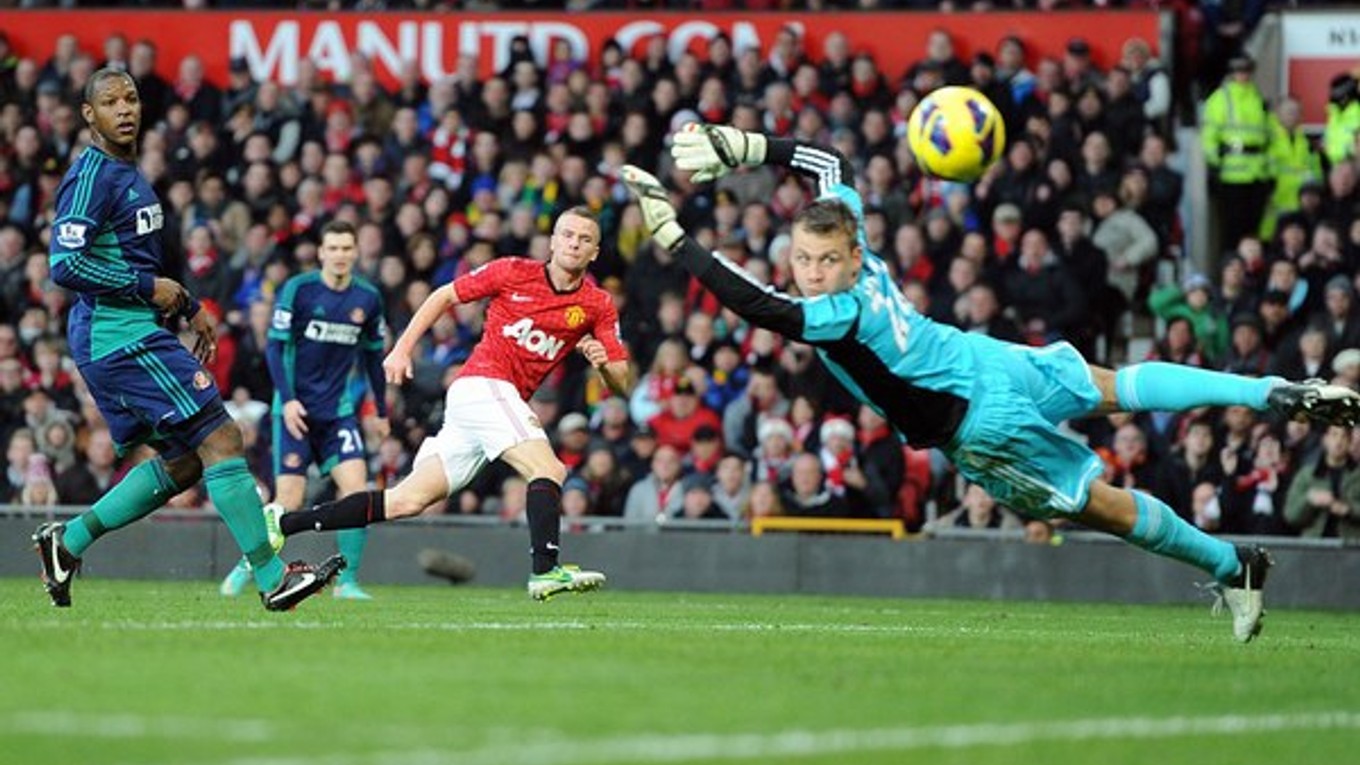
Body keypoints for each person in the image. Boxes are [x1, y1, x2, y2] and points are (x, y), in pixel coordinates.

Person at [622, 122, 1360, 642]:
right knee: (1119, 385)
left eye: (825, 262)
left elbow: (761, 306)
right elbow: (828, 161)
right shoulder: (857, 244)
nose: (812, 274)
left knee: (1097, 507)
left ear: (849, 258)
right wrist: (746, 147)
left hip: (979, 424)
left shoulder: (836, 314)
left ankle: (1233, 564)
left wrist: (678, 241)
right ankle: (1272, 390)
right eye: (802, 261)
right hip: (983, 356)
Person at [35, 68, 343, 610]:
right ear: (89, 114)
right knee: (221, 438)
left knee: (185, 461)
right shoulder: (92, 177)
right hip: (118, 335)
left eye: (131, 98)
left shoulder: (126, 172)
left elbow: (138, 262)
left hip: (130, 331)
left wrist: (186, 305)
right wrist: (148, 289)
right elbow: (65, 264)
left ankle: (69, 542)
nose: (124, 109)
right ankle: (272, 577)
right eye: (110, 102)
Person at [271, 206, 633, 600]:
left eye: (584, 239)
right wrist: (402, 349)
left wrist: (603, 365)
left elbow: (621, 383)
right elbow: (444, 295)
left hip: (490, 404)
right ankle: (545, 571)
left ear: (595, 252)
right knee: (548, 468)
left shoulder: (597, 304)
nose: (574, 244)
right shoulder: (512, 271)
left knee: (407, 500)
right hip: (482, 384)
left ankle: (283, 524)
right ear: (553, 241)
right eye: (567, 235)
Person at [219, 220, 388, 600]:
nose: (340, 255)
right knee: (289, 500)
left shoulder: (368, 298)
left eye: (347, 248)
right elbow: (275, 347)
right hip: (294, 411)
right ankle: (249, 564)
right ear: (322, 253)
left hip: (338, 412)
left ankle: (347, 583)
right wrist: (289, 399)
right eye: (334, 248)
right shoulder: (299, 289)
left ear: (356, 252)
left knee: (357, 492)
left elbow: (373, 357)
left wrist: (380, 409)